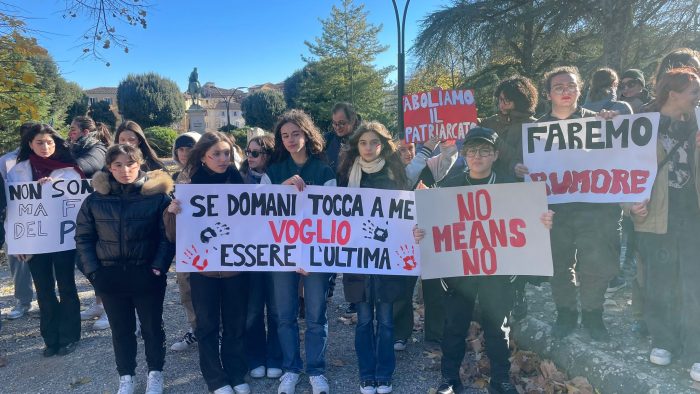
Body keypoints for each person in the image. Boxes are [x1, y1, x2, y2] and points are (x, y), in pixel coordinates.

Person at [414, 126, 554, 394]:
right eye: (472, 151)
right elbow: (433, 226)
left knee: (497, 327)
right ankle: (450, 379)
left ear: (495, 154)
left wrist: (543, 221)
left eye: (484, 151)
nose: (478, 156)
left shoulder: (512, 188)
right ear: (464, 154)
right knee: (454, 326)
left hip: (498, 271)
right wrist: (421, 232)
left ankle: (500, 379)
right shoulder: (448, 186)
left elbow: (527, 226)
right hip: (458, 272)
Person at [514, 66, 621, 341]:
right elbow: (520, 166)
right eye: (559, 87)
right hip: (553, 211)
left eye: (571, 86)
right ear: (549, 94)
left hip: (592, 210)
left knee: (594, 266)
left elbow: (620, 155)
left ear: (579, 90)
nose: (565, 91)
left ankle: (594, 316)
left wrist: (614, 124)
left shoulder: (599, 122)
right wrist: (520, 169)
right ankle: (566, 313)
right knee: (558, 265)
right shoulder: (535, 131)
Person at [76, 144, 173, 394]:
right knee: (121, 330)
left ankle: (155, 372)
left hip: (146, 274)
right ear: (109, 167)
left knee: (152, 327)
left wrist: (158, 267)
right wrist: (94, 273)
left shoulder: (157, 197)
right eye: (118, 164)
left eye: (130, 163)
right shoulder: (95, 200)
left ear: (139, 163)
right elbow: (84, 238)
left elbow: (167, 237)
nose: (125, 169)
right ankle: (126, 375)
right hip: (110, 276)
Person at [626, 68, 700, 382]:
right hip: (655, 213)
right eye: (694, 91)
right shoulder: (642, 124)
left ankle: (695, 348)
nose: (697, 97)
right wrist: (628, 204)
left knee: (693, 282)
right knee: (658, 280)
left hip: (692, 211)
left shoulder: (698, 121)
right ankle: (663, 341)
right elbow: (620, 170)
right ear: (674, 93)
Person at [165, 132, 251, 394]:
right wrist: (171, 213)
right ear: (203, 156)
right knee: (207, 325)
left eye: (227, 153)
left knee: (236, 325)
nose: (223, 159)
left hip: (237, 269)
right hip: (204, 271)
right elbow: (172, 236)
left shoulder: (241, 184)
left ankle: (237, 374)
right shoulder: (188, 190)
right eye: (216, 154)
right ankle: (216, 378)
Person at [261, 109, 336, 394]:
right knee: (285, 314)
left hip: (317, 253)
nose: (291, 139)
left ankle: (316, 370)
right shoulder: (274, 171)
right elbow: (262, 214)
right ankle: (291, 368)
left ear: (307, 134)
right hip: (282, 252)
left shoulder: (324, 171)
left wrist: (308, 254)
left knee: (316, 315)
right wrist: (281, 188)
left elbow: (333, 220)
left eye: (295, 133)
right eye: (284, 135)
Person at [336, 121, 408, 394]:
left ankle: (385, 373)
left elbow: (405, 211)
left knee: (387, 321)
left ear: (383, 146)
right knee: (364, 320)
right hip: (358, 258)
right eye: (363, 142)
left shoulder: (394, 173)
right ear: (357, 146)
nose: (368, 147)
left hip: (388, 258)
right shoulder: (346, 175)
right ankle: (367, 374)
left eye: (374, 143)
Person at [7, 124, 84, 357]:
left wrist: (54, 189)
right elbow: (13, 209)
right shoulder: (16, 170)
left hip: (63, 241)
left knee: (67, 287)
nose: (45, 147)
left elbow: (79, 206)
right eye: (40, 142)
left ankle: (70, 336)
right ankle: (50, 338)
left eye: (49, 142)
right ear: (30, 144)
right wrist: (17, 243)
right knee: (44, 290)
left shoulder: (70, 171)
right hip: (34, 242)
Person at [480, 75, 540, 321]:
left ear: (521, 99)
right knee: (492, 242)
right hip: (491, 189)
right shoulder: (488, 122)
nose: (502, 104)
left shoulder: (534, 125)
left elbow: (526, 159)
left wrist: (496, 141)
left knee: (515, 244)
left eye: (507, 100)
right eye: (500, 99)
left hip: (519, 191)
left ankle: (518, 292)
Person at [240, 134, 283, 379]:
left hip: (277, 253)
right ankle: (255, 356)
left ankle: (275, 356)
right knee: (253, 309)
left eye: (256, 153)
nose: (250, 157)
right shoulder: (238, 179)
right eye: (248, 152)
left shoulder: (279, 177)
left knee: (277, 310)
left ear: (268, 155)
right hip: (250, 255)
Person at [68, 115, 110, 330]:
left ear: (85, 132)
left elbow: (84, 167)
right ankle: (99, 303)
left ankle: (110, 307)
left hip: (98, 216)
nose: (70, 132)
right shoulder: (75, 148)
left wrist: (58, 166)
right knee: (84, 261)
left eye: (73, 128)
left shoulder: (97, 149)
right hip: (80, 214)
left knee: (93, 262)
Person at [169, 131, 201, 352]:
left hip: (208, 242)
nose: (184, 153)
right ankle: (195, 328)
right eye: (180, 148)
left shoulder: (208, 174)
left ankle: (214, 331)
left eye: (189, 148)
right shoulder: (176, 178)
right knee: (186, 289)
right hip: (185, 244)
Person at [0, 122, 36, 321]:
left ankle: (49, 299)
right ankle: (23, 301)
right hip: (16, 219)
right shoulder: (6, 161)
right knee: (18, 263)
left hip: (43, 220)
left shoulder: (51, 159)